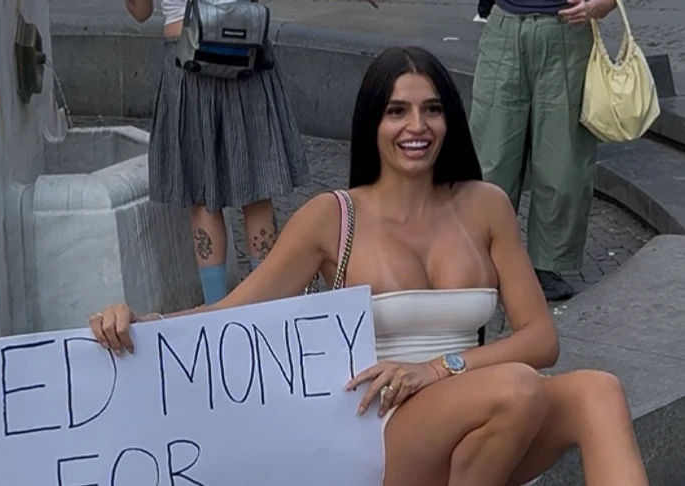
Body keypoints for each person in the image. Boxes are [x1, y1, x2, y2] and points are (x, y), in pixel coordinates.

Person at [89, 46, 648, 485]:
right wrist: (141, 324)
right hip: (381, 430)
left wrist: (439, 368)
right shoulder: (332, 217)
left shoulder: (486, 205)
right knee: (517, 390)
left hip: (483, 419)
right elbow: (234, 312)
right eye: (397, 111)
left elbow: (540, 339)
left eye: (432, 109)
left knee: (597, 391)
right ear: (371, 123)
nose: (417, 126)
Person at [125, 0, 319, 305]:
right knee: (256, 192)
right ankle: (265, 303)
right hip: (245, 49)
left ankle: (217, 309)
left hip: (187, 56)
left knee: (204, 197)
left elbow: (140, 12)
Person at [468, 0, 618, 300]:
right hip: (504, 25)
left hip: (569, 29)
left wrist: (607, 2)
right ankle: (482, 256)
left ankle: (548, 264)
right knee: (491, 160)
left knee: (563, 166)